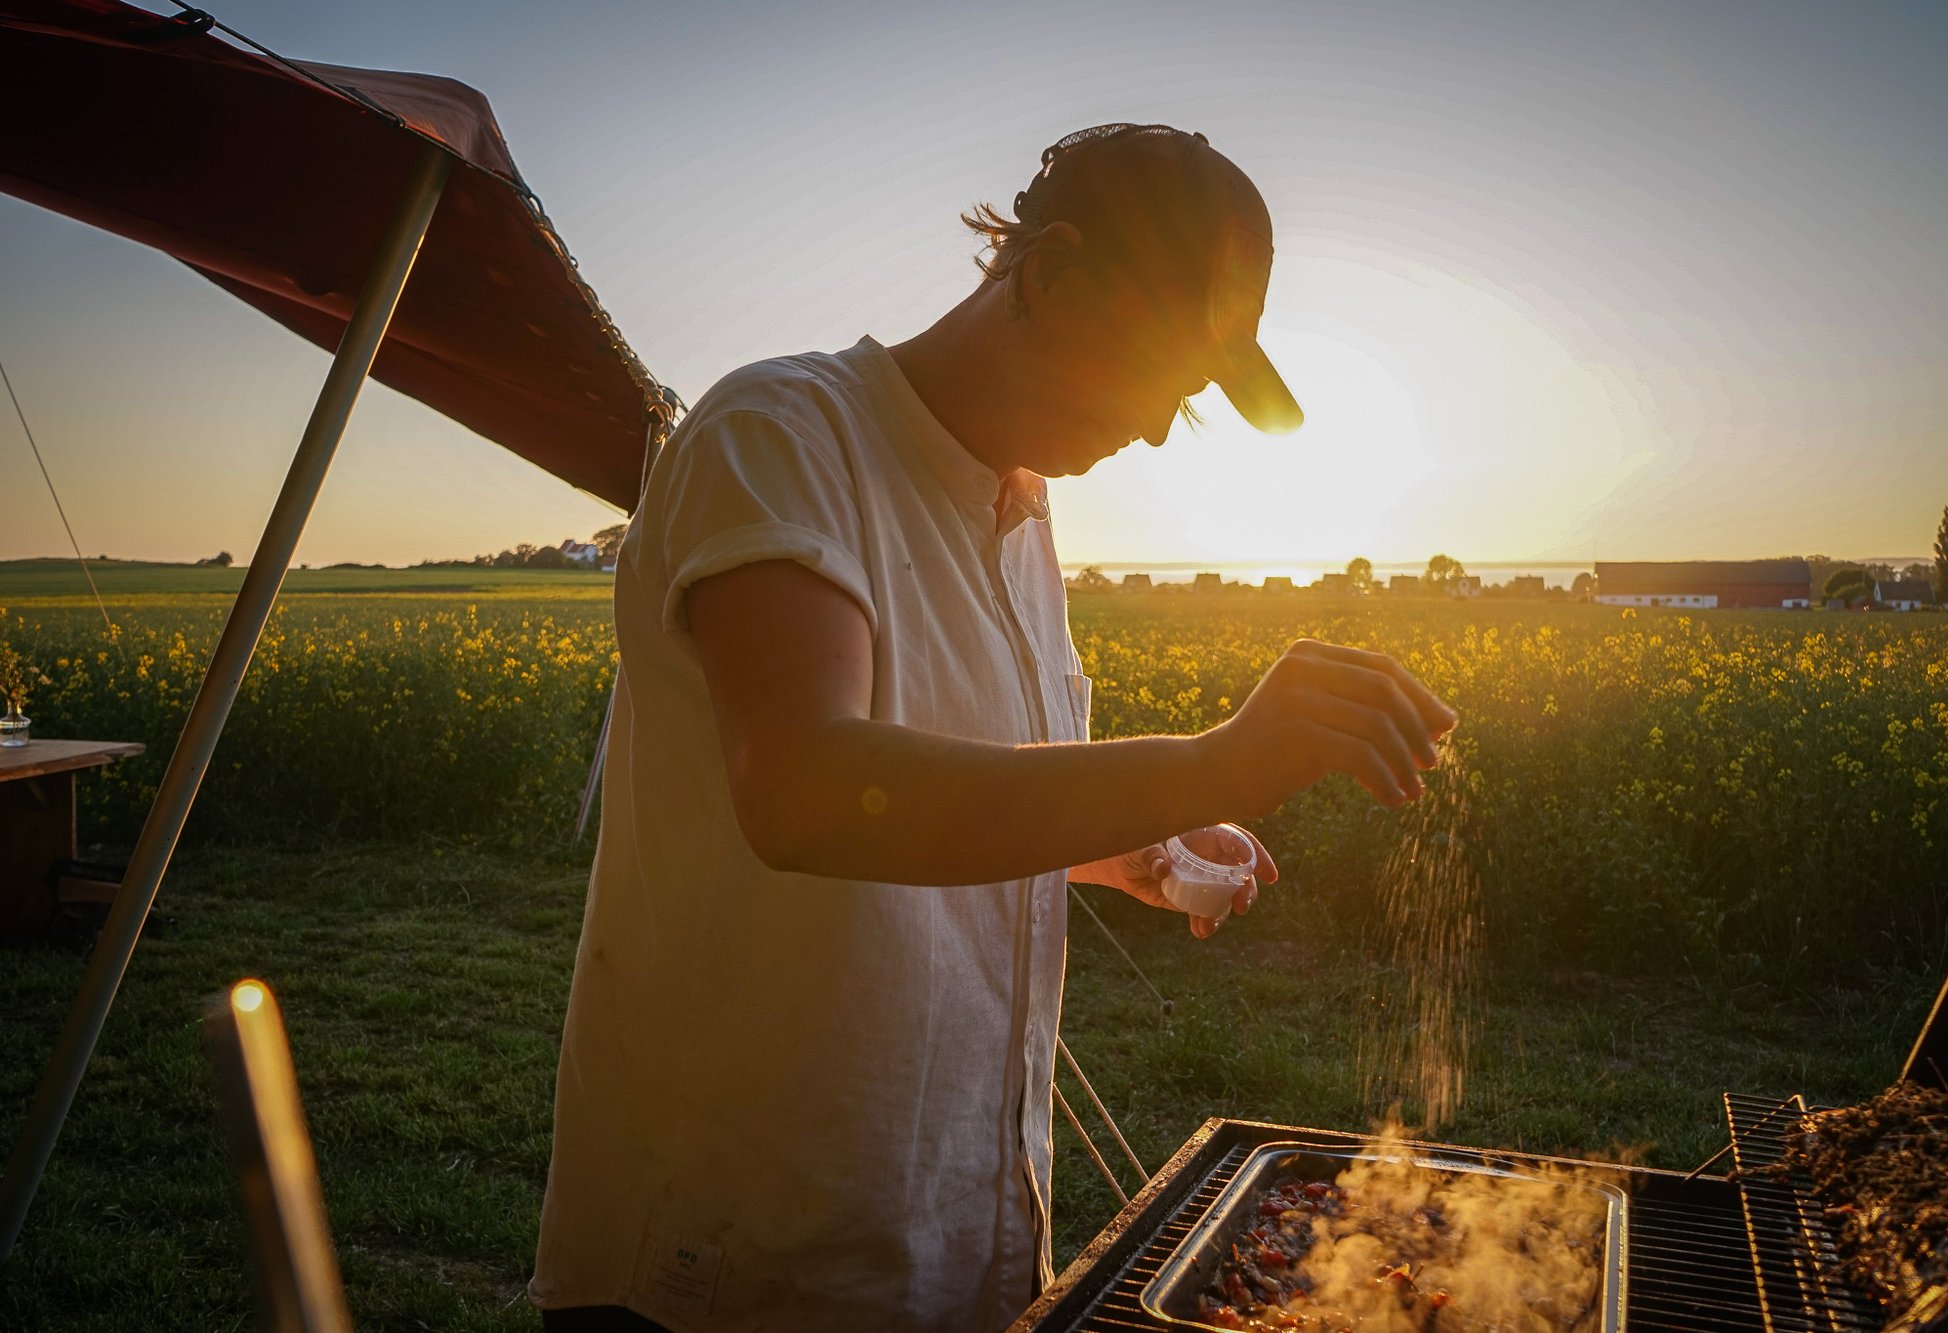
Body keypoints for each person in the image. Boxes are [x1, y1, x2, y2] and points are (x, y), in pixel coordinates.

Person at [531, 123, 1456, 1333]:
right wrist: (1217, 758)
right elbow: (810, 790)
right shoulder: (782, 434)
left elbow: (937, 789)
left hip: (945, 1245)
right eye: (1158, 373)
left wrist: (1135, 847)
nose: (1155, 425)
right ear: (1052, 274)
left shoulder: (1022, 516)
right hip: (734, 1260)